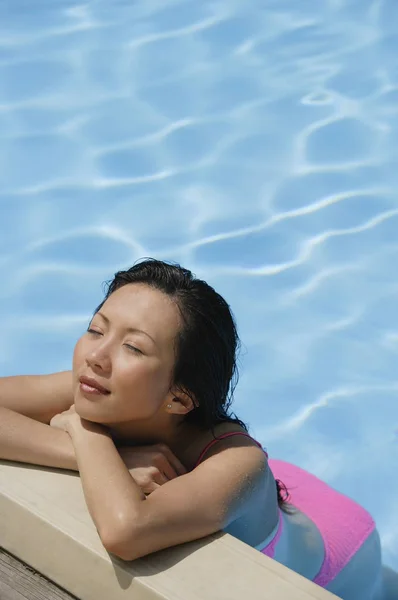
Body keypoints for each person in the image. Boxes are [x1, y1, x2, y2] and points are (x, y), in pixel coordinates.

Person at [0, 258, 395, 600]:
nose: (97, 356)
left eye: (133, 347)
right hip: (274, 490)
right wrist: (105, 457)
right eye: (96, 329)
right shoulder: (100, 382)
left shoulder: (241, 463)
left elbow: (127, 532)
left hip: (340, 549)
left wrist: (86, 433)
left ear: (180, 398)